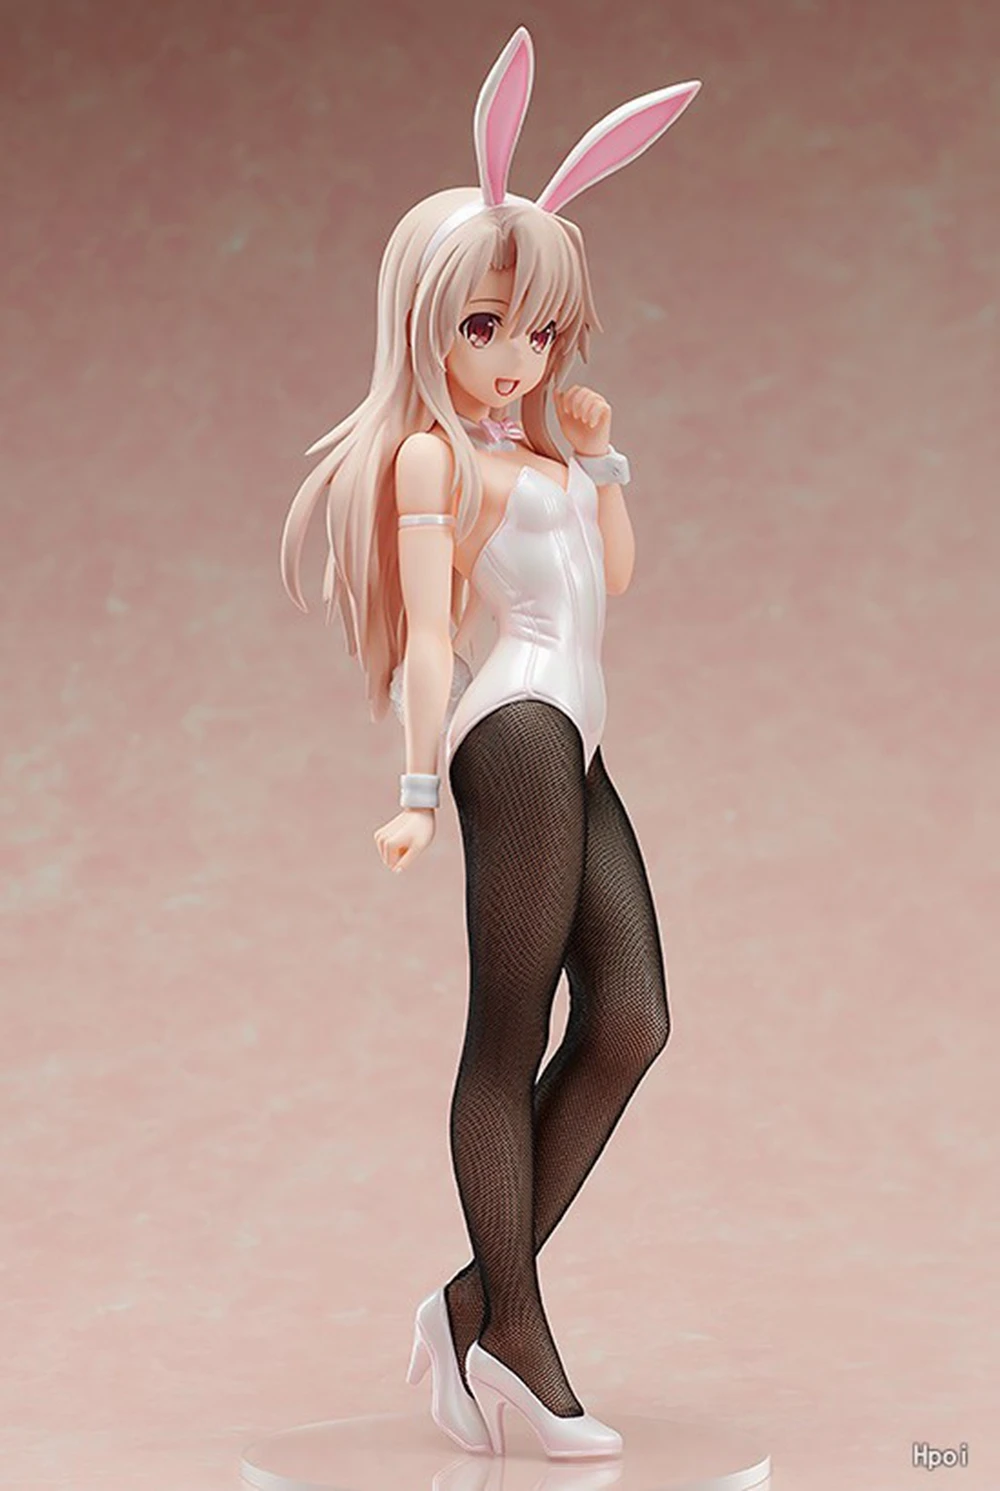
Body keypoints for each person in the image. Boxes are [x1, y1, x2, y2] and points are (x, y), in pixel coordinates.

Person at [280, 26, 700, 1460]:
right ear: (428, 326)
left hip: (575, 732)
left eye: (539, 331)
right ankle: (513, 1333)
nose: (517, 358)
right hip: (510, 731)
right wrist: (415, 786)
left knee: (632, 1020)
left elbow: (614, 578)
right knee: (507, 1027)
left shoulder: (545, 450)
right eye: (485, 328)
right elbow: (431, 636)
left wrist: (601, 456)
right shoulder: (433, 459)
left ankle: (466, 1302)